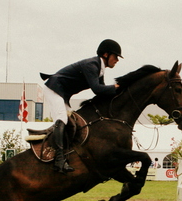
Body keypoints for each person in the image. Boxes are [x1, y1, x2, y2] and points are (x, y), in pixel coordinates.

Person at [40, 39, 123, 173]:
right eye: (116, 56)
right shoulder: (92, 65)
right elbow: (97, 89)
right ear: (106, 54)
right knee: (62, 118)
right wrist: (117, 87)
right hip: (53, 88)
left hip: (63, 93)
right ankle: (59, 160)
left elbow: (102, 92)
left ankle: (66, 155)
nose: (117, 60)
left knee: (73, 122)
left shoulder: (99, 69)